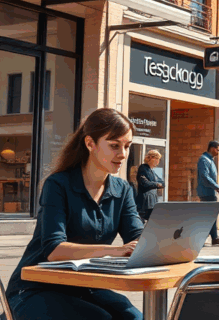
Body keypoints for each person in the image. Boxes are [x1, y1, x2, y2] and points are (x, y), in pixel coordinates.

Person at [5, 108, 144, 320]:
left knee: (134, 317)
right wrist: (115, 251)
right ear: (90, 144)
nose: (123, 154)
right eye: (115, 146)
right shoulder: (58, 185)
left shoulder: (122, 190)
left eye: (127, 146)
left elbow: (136, 234)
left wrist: (156, 245)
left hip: (83, 286)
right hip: (35, 288)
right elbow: (54, 249)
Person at [197, 140, 219, 245]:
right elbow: (205, 177)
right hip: (206, 192)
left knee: (211, 216)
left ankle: (214, 238)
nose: (218, 152)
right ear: (212, 148)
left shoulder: (210, 160)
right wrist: (218, 188)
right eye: (218, 149)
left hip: (210, 192)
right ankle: (200, 239)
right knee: (208, 216)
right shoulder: (204, 160)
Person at [136, 149, 164, 221]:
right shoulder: (143, 168)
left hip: (152, 201)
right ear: (151, 158)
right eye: (157, 159)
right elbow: (144, 183)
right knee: (142, 222)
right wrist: (157, 184)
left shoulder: (152, 170)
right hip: (145, 202)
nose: (158, 162)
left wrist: (157, 184)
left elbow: (162, 183)